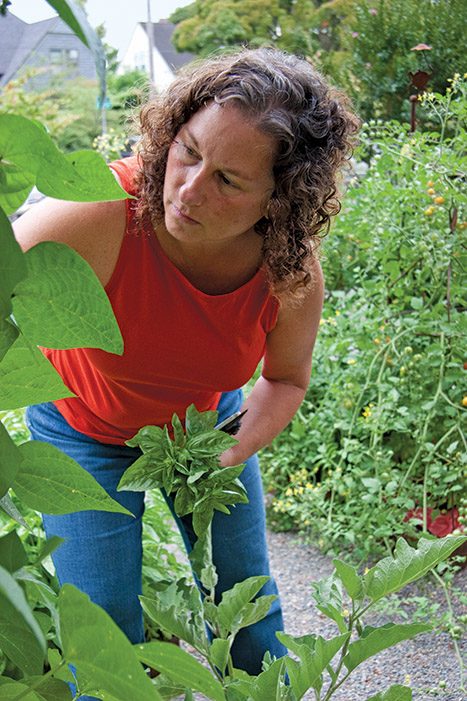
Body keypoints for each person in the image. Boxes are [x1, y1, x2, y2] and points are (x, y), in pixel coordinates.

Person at [14, 47, 359, 688]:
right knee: (105, 633)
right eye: (188, 151)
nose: (188, 189)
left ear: (278, 200)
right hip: (80, 427)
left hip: (204, 430)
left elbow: (284, 379)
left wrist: (223, 456)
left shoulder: (287, 271)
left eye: (229, 180)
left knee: (251, 613)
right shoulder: (101, 215)